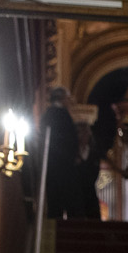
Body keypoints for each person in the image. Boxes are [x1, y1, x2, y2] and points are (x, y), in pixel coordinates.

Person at [40, 86, 79, 219]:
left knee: (54, 199)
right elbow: (70, 138)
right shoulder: (62, 114)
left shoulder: (48, 114)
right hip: (62, 163)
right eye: (67, 98)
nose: (69, 101)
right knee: (64, 196)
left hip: (53, 162)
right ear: (62, 98)